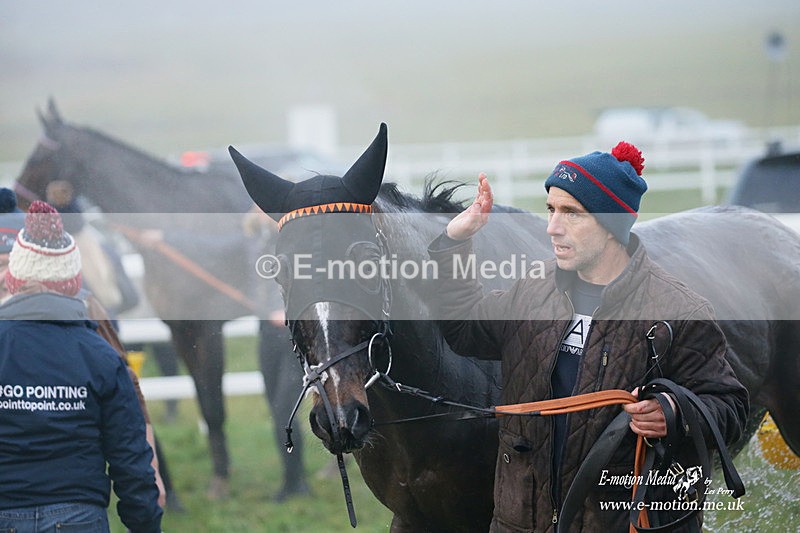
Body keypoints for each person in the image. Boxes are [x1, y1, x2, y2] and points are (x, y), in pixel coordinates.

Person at [427, 142, 748, 531]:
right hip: (521, 522)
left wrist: (674, 412)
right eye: (550, 209)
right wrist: (455, 243)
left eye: (571, 213)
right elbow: (464, 329)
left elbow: (730, 407)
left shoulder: (678, 312)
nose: (552, 227)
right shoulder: (532, 291)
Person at [0, 200, 162, 533]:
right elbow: (129, 456)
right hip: (78, 516)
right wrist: (145, 522)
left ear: (14, 278)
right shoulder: (101, 355)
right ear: (74, 282)